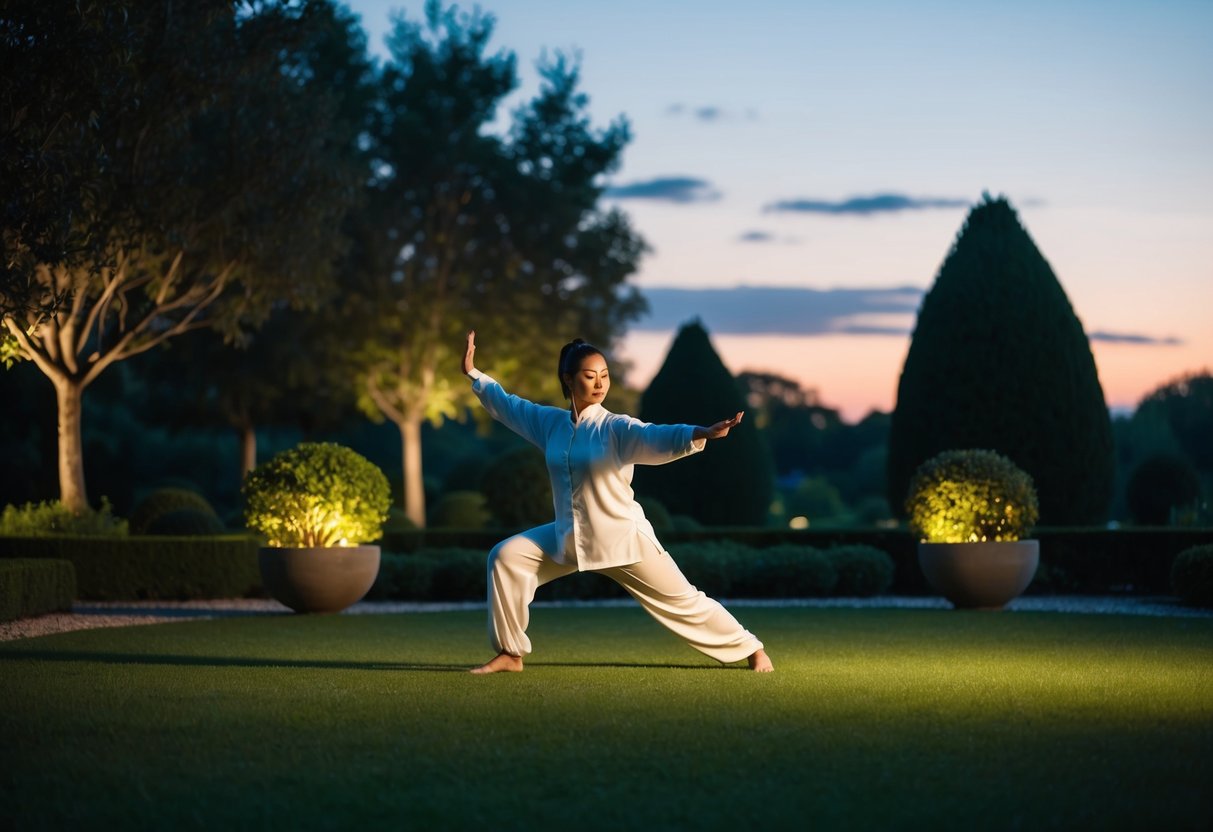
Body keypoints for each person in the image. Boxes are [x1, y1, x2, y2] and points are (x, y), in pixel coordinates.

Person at [461, 330, 773, 674]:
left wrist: (699, 433)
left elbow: (653, 435)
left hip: (622, 539)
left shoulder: (615, 427)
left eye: (604, 376)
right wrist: (476, 375)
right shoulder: (551, 424)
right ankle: (511, 653)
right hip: (569, 537)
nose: (599, 384)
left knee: (685, 603)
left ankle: (752, 649)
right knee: (506, 557)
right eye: (589, 376)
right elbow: (510, 406)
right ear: (568, 379)